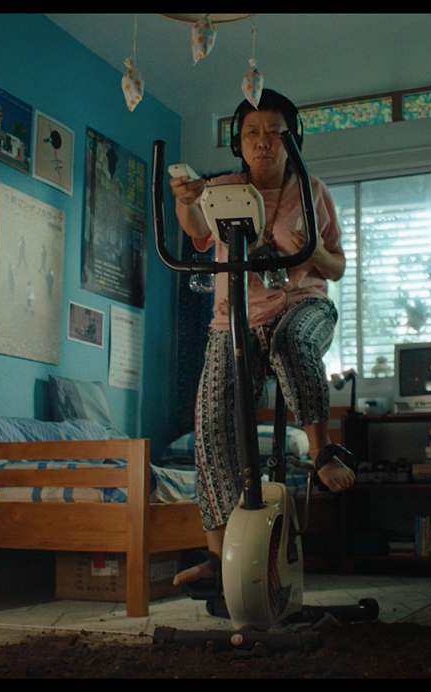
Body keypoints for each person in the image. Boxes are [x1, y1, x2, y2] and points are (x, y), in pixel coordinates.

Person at [169, 89, 355, 590]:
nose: (263, 141)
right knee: (211, 420)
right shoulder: (221, 188)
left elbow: (336, 266)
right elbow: (197, 229)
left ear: (292, 141)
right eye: (252, 132)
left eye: (275, 132)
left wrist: (311, 249)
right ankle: (218, 557)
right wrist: (186, 201)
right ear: (239, 141)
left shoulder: (312, 189)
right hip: (235, 318)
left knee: (291, 342)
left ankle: (321, 450)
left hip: (303, 305)